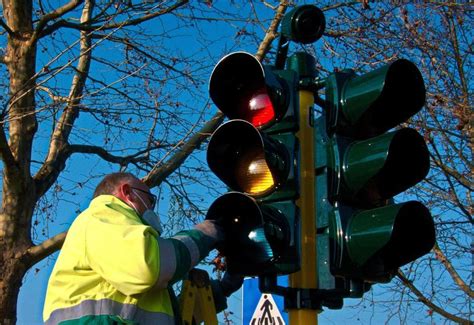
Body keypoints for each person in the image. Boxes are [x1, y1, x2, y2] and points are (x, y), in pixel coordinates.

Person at [43, 172, 242, 324]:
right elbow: (147, 266)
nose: (151, 207)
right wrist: (208, 233)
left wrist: (223, 288)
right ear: (127, 192)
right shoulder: (102, 215)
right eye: (149, 199)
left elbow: (170, 318)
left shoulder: (122, 252)